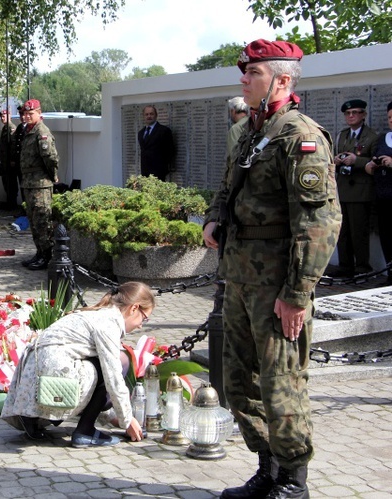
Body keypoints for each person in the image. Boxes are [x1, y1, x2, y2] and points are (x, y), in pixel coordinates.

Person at [202, 39, 341, 499]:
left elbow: (318, 224)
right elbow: (228, 184)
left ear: (281, 80)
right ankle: (268, 469)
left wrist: (297, 294)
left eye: (253, 72)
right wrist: (213, 218)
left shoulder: (300, 137)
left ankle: (293, 482)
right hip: (239, 275)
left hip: (277, 283)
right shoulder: (253, 130)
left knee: (282, 385)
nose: (243, 78)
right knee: (240, 383)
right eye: (245, 71)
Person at [1, 281, 150, 447]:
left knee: (95, 363)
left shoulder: (98, 313)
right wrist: (128, 421)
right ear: (134, 308)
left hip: (32, 377)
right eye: (145, 318)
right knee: (120, 361)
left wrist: (113, 417)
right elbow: (113, 376)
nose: (141, 325)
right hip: (55, 374)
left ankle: (33, 419)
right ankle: (85, 431)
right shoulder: (109, 322)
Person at [333, 99, 377, 277]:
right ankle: (345, 266)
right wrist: (336, 160)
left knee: (358, 232)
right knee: (342, 233)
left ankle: (362, 267)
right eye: (348, 113)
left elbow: (376, 162)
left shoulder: (371, 136)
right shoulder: (342, 135)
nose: (351, 116)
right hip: (343, 189)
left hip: (360, 191)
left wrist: (356, 160)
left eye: (355, 112)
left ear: (363, 115)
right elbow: (335, 154)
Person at [19, 99, 59, 271]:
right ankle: (40, 253)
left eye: (31, 113)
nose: (27, 116)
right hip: (29, 183)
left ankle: (47, 256)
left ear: (39, 113)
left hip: (40, 183)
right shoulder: (28, 130)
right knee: (34, 221)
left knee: (42, 220)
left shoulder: (41, 131)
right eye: (25, 114)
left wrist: (53, 176)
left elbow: (51, 157)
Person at [364, 101, 392, 285]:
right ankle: (390, 273)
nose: (391, 121)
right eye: (390, 117)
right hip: (383, 196)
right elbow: (368, 165)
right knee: (387, 236)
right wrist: (371, 165)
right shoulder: (384, 139)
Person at [137, 105, 175, 181]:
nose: (149, 116)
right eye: (146, 114)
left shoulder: (164, 131)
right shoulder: (141, 133)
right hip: (145, 173)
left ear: (156, 115)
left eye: (151, 114)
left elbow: (170, 151)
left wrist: (164, 168)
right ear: (143, 116)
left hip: (159, 172)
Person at [0, 109, 19, 209]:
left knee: (11, 183)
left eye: (4, 116)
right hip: (4, 161)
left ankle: (12, 204)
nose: (2, 118)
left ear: (9, 116)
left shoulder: (11, 128)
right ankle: (9, 202)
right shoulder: (5, 128)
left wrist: (12, 160)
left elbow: (13, 145)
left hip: (9, 161)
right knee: (6, 182)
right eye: (1, 117)